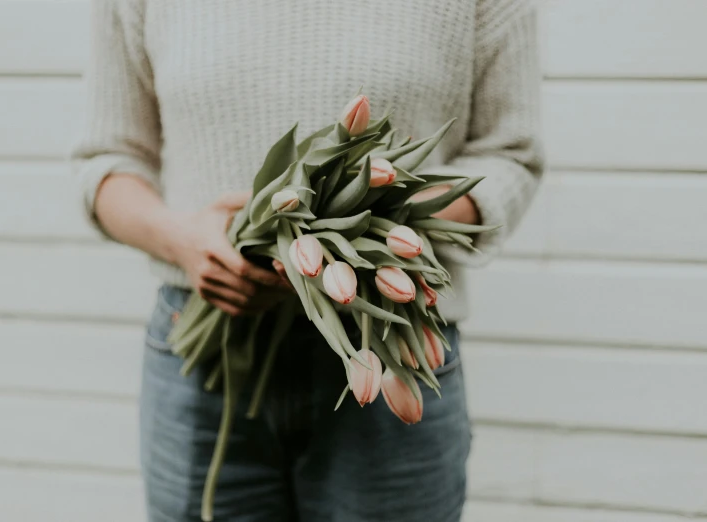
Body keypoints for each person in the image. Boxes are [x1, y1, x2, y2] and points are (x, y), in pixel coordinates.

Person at [72, 0, 543, 520]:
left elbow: (512, 157)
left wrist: (376, 214)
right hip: (204, 352)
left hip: (389, 348)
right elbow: (108, 161)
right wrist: (181, 241)